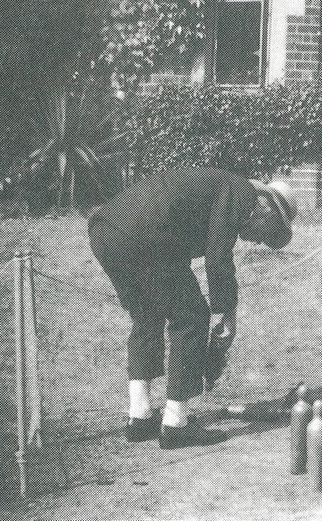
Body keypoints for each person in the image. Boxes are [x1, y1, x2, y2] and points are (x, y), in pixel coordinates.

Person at [88, 167, 297, 448]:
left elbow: (178, 243)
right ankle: (176, 424)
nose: (258, 241)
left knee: (147, 317)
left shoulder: (215, 187)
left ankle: (140, 417)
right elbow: (217, 257)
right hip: (145, 238)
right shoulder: (241, 192)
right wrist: (226, 313)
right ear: (266, 208)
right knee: (192, 317)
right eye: (266, 233)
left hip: (106, 232)